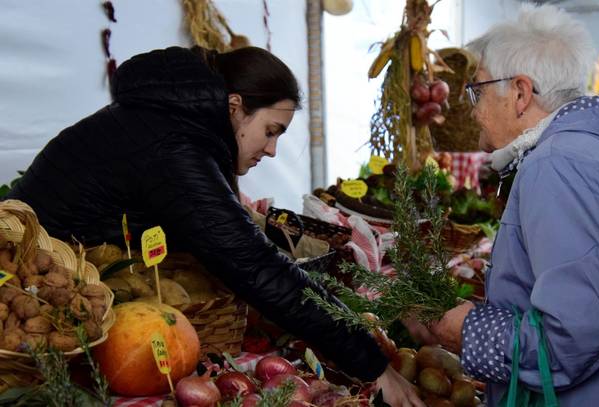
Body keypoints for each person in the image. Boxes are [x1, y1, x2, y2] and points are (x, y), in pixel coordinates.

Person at [5, 46, 423, 406]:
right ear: (235, 107)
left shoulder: (169, 120)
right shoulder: (175, 147)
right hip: (42, 296)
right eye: (270, 131)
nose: (273, 150)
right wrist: (372, 364)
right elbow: (254, 264)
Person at [410, 4, 599, 406]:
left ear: (520, 93)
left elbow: (575, 338)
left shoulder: (560, 165)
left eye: (477, 90)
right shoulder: (596, 150)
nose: (473, 110)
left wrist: (471, 330)